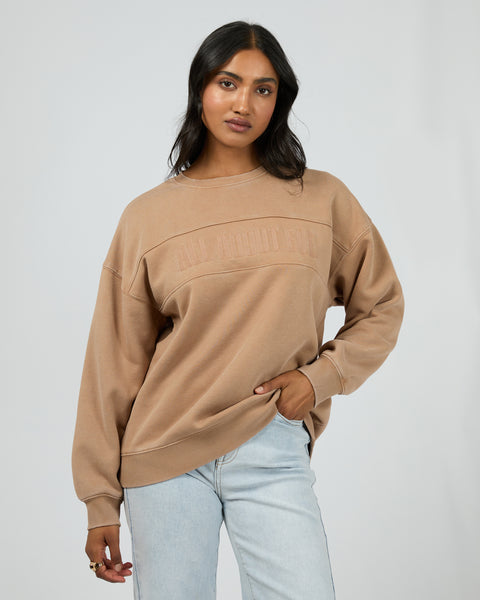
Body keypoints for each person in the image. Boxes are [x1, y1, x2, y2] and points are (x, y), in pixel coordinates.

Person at [71, 20, 405, 599]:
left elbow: (382, 305)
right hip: (165, 455)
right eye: (228, 83)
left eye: (263, 89)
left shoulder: (321, 198)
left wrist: (320, 378)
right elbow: (113, 362)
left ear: (279, 101)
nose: (243, 103)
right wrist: (100, 500)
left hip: (273, 444)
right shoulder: (147, 217)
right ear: (201, 87)